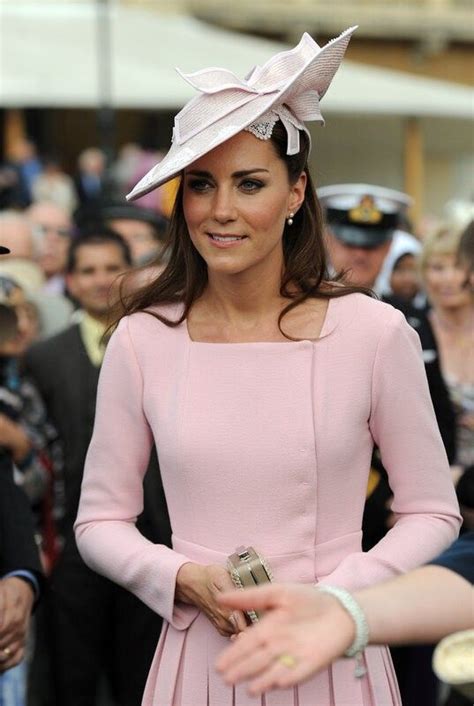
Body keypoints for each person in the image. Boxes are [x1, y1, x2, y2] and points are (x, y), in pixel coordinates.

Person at [74, 28, 461, 706]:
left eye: (249, 184)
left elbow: (432, 511)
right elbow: (100, 522)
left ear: (294, 194)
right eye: (201, 185)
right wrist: (181, 577)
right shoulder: (142, 339)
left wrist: (341, 596)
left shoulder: (374, 332)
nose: (221, 210)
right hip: (199, 656)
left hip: (336, 657)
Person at [26, 229, 171, 706]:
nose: (100, 280)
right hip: (71, 548)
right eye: (87, 270)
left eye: (111, 268)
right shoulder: (43, 359)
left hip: (154, 540)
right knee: (73, 674)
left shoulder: (164, 345)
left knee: (143, 672)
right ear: (69, 280)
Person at [215, 533, 474, 696]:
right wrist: (345, 610)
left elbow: (435, 515)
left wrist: (343, 602)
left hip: (345, 660)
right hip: (205, 635)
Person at [421, 226, 474, 472]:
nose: (448, 278)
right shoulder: (411, 331)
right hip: (434, 474)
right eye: (438, 268)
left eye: (457, 266)